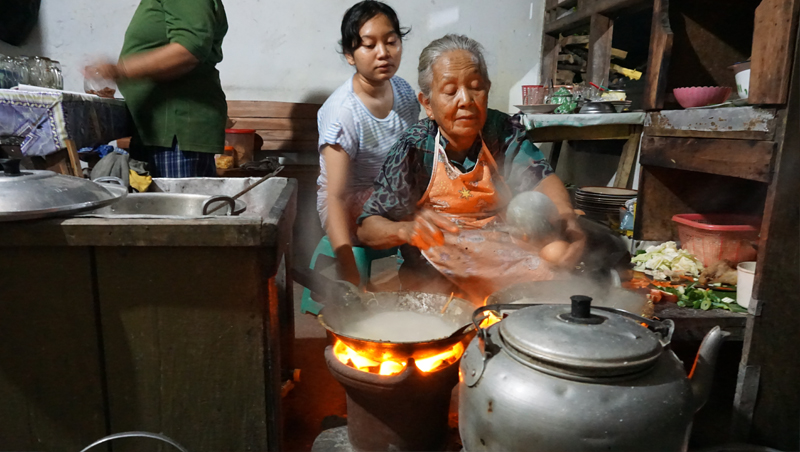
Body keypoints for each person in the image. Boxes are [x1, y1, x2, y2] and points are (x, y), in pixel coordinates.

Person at [357, 34, 585, 303]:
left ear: (487, 89)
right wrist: (405, 231)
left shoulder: (502, 132)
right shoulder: (415, 148)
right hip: (437, 268)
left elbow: (541, 180)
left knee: (559, 279)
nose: (466, 100)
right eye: (451, 91)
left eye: (475, 87)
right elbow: (368, 226)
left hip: (504, 253)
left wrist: (566, 217)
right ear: (428, 104)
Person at [316, 1, 420, 286]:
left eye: (391, 42)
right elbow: (333, 196)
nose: (383, 53)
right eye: (369, 45)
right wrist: (348, 267)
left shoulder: (403, 90)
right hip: (350, 203)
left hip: (393, 195)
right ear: (350, 54)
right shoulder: (343, 114)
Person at [85, 0, 228, 178]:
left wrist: (121, 70)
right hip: (157, 129)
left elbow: (189, 49)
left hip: (175, 130)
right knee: (157, 205)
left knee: (176, 205)